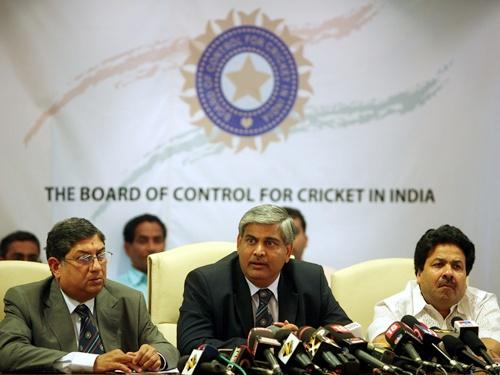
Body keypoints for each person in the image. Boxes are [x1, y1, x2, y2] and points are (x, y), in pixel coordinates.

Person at [0, 217, 179, 373]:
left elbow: (168, 349)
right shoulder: (26, 299)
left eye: (100, 255)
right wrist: (91, 362)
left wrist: (156, 356)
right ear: (56, 267)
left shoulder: (129, 299)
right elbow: (7, 352)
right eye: (84, 258)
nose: (96, 267)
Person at [177, 204, 351, 355]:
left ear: (288, 251)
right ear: (238, 243)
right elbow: (192, 344)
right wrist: (269, 340)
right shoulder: (205, 283)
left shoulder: (311, 279)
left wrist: (303, 337)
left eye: (270, 243)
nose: (259, 251)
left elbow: (344, 332)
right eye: (251, 241)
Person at [367, 224, 500, 357]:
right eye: (438, 264)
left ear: (466, 276)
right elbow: (382, 345)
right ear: (419, 273)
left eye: (457, 266)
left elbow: (493, 349)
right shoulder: (391, 308)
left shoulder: (482, 302)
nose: (448, 273)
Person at [116, 213, 167, 298]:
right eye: (142, 241)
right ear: (127, 248)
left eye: (157, 240)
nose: (151, 248)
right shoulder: (115, 290)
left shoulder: (178, 284)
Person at [283, 207, 335, 284]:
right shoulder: (260, 279)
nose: (288, 240)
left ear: (305, 240)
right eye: (282, 234)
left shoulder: (329, 278)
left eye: (294, 232)